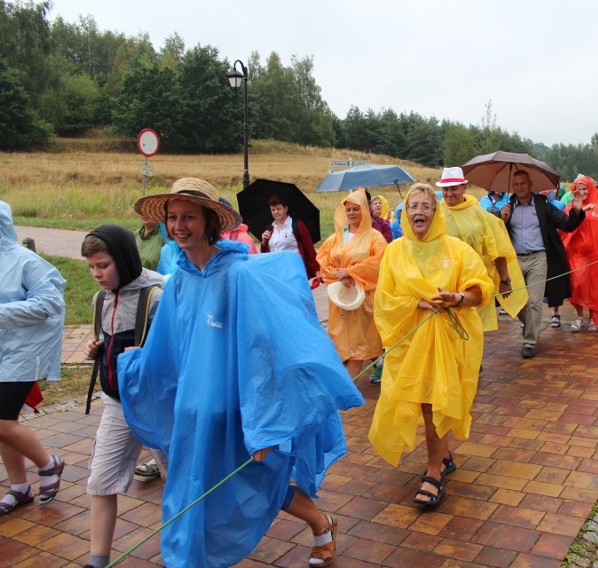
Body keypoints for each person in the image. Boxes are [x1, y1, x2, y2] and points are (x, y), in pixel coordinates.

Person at [120, 178, 364, 567]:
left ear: (210, 222)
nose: (180, 225)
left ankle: (321, 523)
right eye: (173, 217)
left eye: (189, 217)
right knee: (192, 483)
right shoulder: (180, 279)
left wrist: (266, 423)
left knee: (262, 480)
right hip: (194, 411)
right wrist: (138, 362)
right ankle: (190, 555)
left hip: (239, 409)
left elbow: (267, 347)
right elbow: (169, 344)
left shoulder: (239, 275)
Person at [370, 183, 492, 508]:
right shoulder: (394, 251)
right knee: (423, 402)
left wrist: (457, 298)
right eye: (413, 206)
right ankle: (444, 456)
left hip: (448, 343)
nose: (419, 211)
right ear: (405, 213)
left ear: (435, 213)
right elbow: (384, 300)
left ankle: (434, 473)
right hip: (409, 344)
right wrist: (414, 304)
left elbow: (480, 289)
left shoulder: (456, 250)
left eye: (426, 206)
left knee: (432, 404)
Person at [80, 225, 168, 568]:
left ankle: (186, 555)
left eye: (103, 265)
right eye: (91, 267)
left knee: (176, 483)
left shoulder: (157, 295)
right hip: (117, 404)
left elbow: (177, 356)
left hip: (159, 407)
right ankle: (97, 561)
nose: (96, 274)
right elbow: (107, 337)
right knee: (100, 480)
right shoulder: (100, 298)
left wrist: (146, 355)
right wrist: (97, 348)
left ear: (125, 258)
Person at [0, 201, 66, 516]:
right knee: (3, 424)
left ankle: (48, 463)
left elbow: (49, 302)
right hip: (1, 350)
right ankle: (19, 487)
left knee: (0, 421)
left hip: (23, 352)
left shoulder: (27, 262)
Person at [500, 170, 585, 358]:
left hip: (538, 258)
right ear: (512, 186)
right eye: (516, 184)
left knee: (534, 301)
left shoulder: (542, 205)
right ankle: (530, 325)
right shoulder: (507, 207)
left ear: (530, 184)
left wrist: (576, 210)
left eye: (523, 183)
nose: (520, 187)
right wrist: (501, 220)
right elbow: (496, 235)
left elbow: (567, 224)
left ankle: (530, 341)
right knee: (514, 300)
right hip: (514, 260)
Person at [438, 166, 528, 332]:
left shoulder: (479, 214)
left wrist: (505, 279)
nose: (449, 193)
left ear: (464, 188)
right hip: (446, 282)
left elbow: (497, 249)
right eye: (445, 189)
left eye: (454, 188)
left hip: (475, 283)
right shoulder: (436, 214)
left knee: (472, 331)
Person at [317, 190, 387, 380]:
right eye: (348, 210)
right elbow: (324, 261)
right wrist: (339, 275)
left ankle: (348, 387)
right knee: (352, 340)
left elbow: (380, 262)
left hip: (363, 300)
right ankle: (378, 361)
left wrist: (352, 272)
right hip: (342, 299)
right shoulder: (337, 237)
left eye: (356, 209)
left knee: (359, 342)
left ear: (364, 210)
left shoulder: (374, 237)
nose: (351, 213)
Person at [561, 176, 598, 331]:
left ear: (590, 189)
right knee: (577, 285)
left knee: (594, 287)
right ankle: (579, 315)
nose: (581, 192)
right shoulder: (571, 206)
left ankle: (592, 318)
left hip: (596, 255)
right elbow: (564, 227)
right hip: (576, 254)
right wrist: (579, 210)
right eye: (578, 189)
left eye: (584, 189)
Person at [260, 194, 322, 285]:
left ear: (286, 208)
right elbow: (265, 253)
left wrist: (317, 269)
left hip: (294, 270)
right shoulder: (269, 227)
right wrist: (263, 242)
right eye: (273, 209)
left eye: (278, 209)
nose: (275, 212)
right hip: (276, 271)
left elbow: (310, 250)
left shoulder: (297, 225)